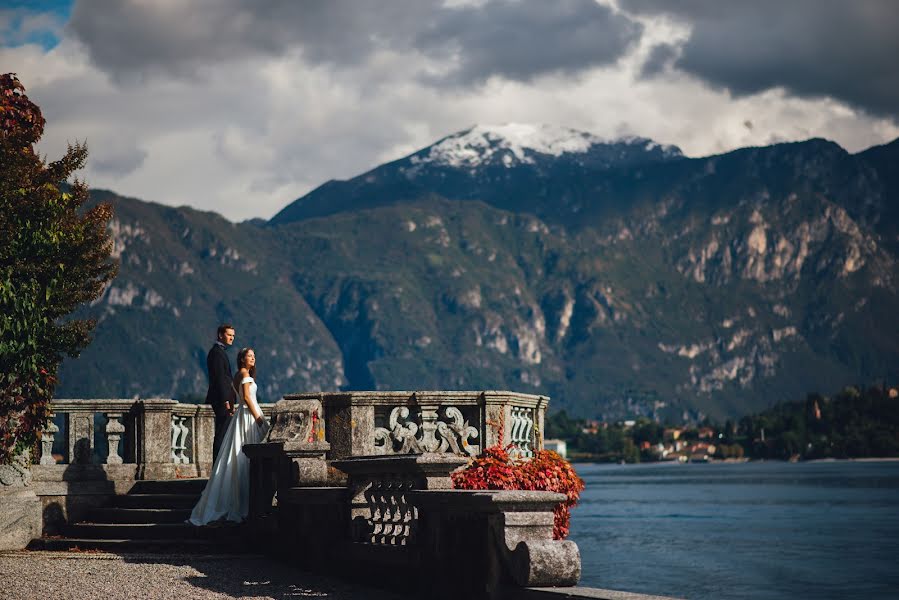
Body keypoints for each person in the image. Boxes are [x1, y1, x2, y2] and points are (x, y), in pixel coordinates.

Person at [190, 347, 270, 525]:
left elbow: (238, 397)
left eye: (254, 356)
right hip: (248, 416)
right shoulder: (244, 374)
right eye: (250, 356)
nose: (253, 358)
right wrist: (258, 418)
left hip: (240, 416)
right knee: (246, 458)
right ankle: (245, 501)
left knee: (236, 455)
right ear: (242, 359)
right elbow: (248, 398)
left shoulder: (237, 374)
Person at [206, 324, 236, 462]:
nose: (232, 338)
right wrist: (226, 401)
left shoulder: (219, 352)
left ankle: (219, 467)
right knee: (221, 435)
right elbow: (220, 379)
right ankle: (217, 467)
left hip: (224, 400)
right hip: (221, 401)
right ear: (220, 335)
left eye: (233, 336)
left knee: (223, 435)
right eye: (229, 335)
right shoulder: (217, 353)